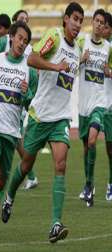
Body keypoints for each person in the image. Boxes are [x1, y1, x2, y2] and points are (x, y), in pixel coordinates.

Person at [1, 2, 84, 243]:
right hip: (40, 116)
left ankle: (55, 225)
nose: (78, 24)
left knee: (60, 165)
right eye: (75, 19)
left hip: (61, 118)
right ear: (65, 19)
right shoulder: (54, 37)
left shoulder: (78, 50)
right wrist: (55, 66)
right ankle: (9, 197)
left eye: (81, 20)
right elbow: (32, 59)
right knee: (26, 166)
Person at [0, 21, 37, 238]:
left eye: (26, 41)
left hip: (12, 133)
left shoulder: (29, 70)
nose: (22, 43)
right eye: (20, 38)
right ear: (11, 37)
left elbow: (31, 102)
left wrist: (26, 93)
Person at [77, 9, 111, 207]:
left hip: (100, 103)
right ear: (92, 22)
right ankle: (89, 184)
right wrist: (81, 59)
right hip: (83, 104)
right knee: (85, 146)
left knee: (91, 141)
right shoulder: (82, 43)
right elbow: (71, 66)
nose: (99, 24)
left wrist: (109, 71)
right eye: (96, 21)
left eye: (102, 22)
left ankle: (90, 186)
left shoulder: (108, 47)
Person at [103, 11, 112, 201]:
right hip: (101, 103)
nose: (101, 28)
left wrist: (109, 72)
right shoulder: (99, 46)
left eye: (105, 26)